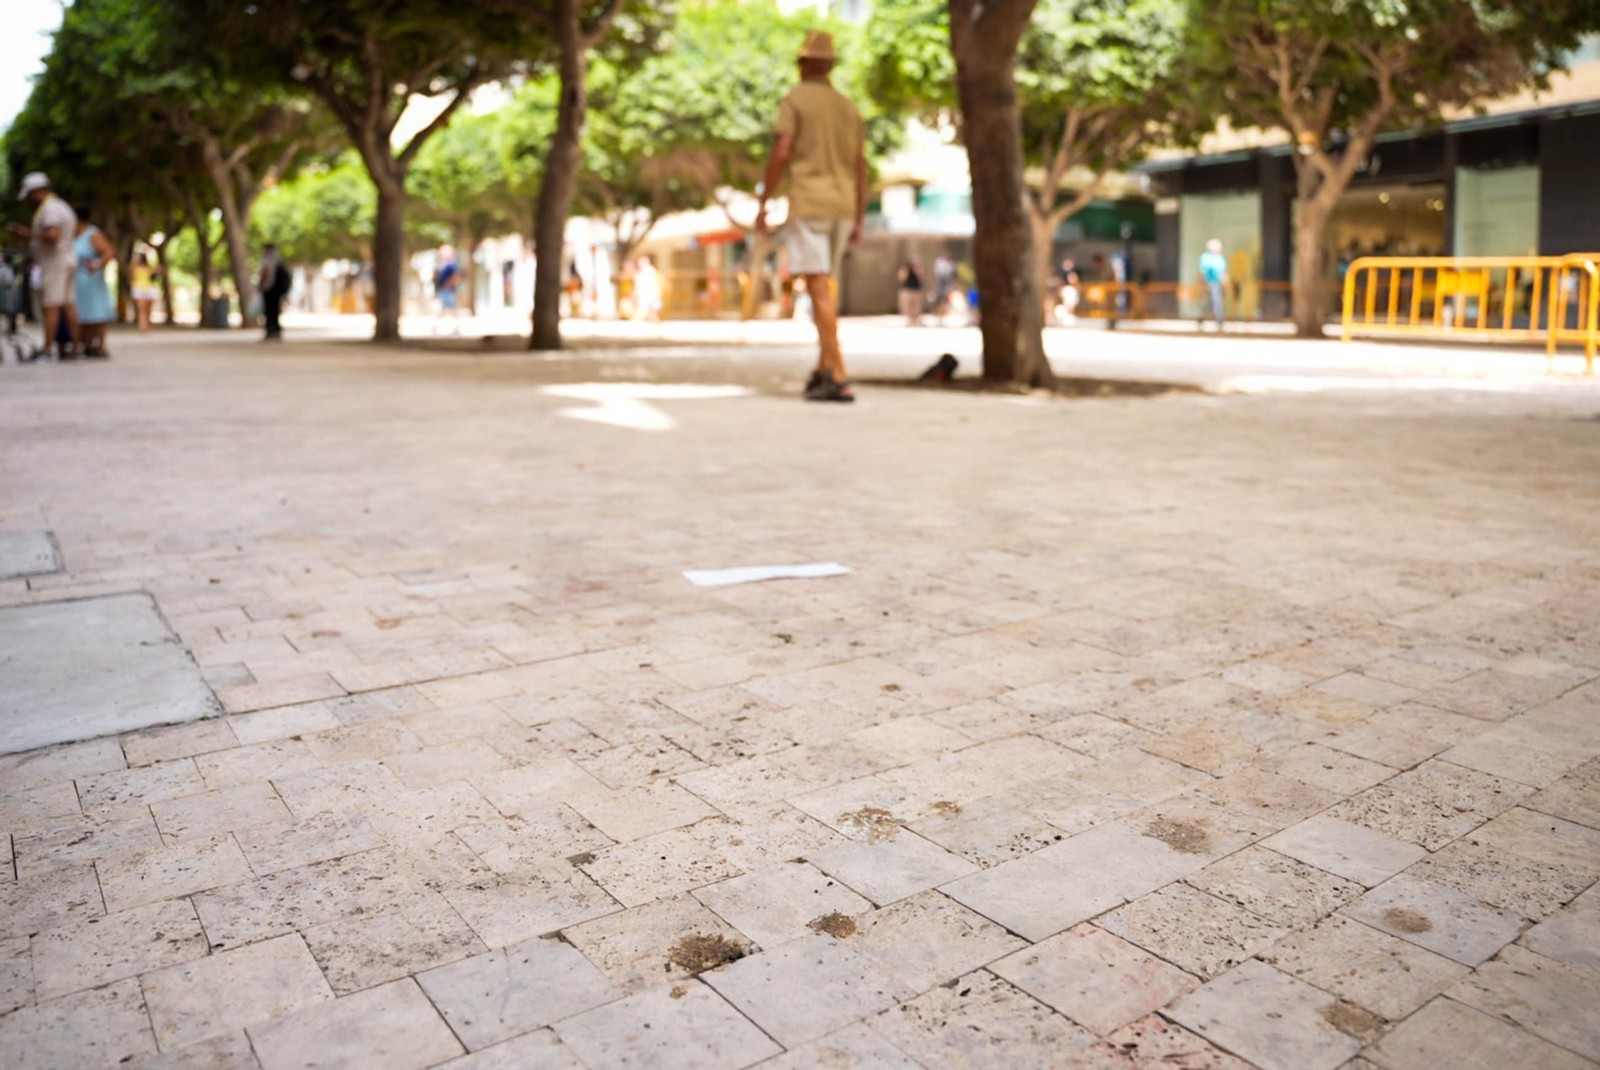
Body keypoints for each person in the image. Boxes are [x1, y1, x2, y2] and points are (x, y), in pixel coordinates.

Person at [755, 30, 866, 403]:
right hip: (844, 206)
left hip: (810, 203)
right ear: (830, 66)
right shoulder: (848, 107)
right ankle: (822, 372)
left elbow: (783, 150)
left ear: (803, 64)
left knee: (817, 290)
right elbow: (860, 165)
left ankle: (839, 373)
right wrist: (860, 215)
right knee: (825, 290)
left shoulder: (795, 100)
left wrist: (765, 199)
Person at [9, 172, 80, 358]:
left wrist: (27, 235)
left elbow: (52, 235)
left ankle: (48, 350)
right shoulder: (59, 205)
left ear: (36, 191)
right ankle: (76, 348)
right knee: (68, 304)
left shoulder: (51, 209)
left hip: (55, 262)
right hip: (66, 260)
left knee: (51, 305)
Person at [73, 207, 117, 358]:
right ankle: (87, 345)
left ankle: (101, 345)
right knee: (82, 313)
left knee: (97, 311)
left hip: (90, 278)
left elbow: (109, 252)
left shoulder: (93, 234)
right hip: (76, 279)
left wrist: (97, 265)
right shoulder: (72, 235)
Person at [257, 243, 290, 340]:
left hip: (269, 288)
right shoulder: (278, 259)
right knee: (275, 310)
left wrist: (260, 285)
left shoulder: (266, 259)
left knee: (269, 310)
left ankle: (271, 329)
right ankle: (275, 329)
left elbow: (265, 272)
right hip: (277, 290)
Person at [1198, 238, 1230, 331]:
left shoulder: (1220, 258)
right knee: (1216, 302)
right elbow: (1202, 272)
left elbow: (1223, 273)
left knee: (1211, 303)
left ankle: (1201, 317)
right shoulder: (1206, 257)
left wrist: (1227, 284)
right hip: (1211, 283)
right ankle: (1220, 321)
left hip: (1218, 283)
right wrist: (1200, 285)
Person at [433, 245, 461, 333]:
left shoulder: (451, 264)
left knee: (450, 309)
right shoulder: (445, 264)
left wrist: (449, 285)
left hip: (448, 289)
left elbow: (456, 276)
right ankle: (437, 327)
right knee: (445, 309)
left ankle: (456, 328)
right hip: (444, 289)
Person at [130, 251, 160, 331]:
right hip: (140, 289)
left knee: (146, 309)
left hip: (147, 288)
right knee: (142, 309)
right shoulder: (135, 267)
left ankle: (146, 324)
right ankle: (143, 325)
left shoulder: (149, 267)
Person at [632, 255, 663, 321]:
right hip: (643, 297)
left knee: (648, 314)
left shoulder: (651, 272)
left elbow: (655, 286)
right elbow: (637, 287)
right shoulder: (640, 274)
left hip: (650, 297)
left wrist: (656, 295)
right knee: (646, 315)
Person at [897, 258, 923, 325]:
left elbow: (920, 278)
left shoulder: (917, 270)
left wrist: (917, 270)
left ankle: (915, 319)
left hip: (916, 290)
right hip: (908, 290)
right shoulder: (904, 270)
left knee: (916, 306)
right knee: (907, 306)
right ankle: (910, 319)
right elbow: (902, 279)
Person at [931, 252, 955, 320]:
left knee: (945, 300)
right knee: (938, 300)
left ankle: (944, 314)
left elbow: (953, 275)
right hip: (939, 285)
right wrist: (933, 284)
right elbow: (934, 274)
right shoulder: (938, 263)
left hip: (947, 286)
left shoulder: (951, 264)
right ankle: (938, 314)